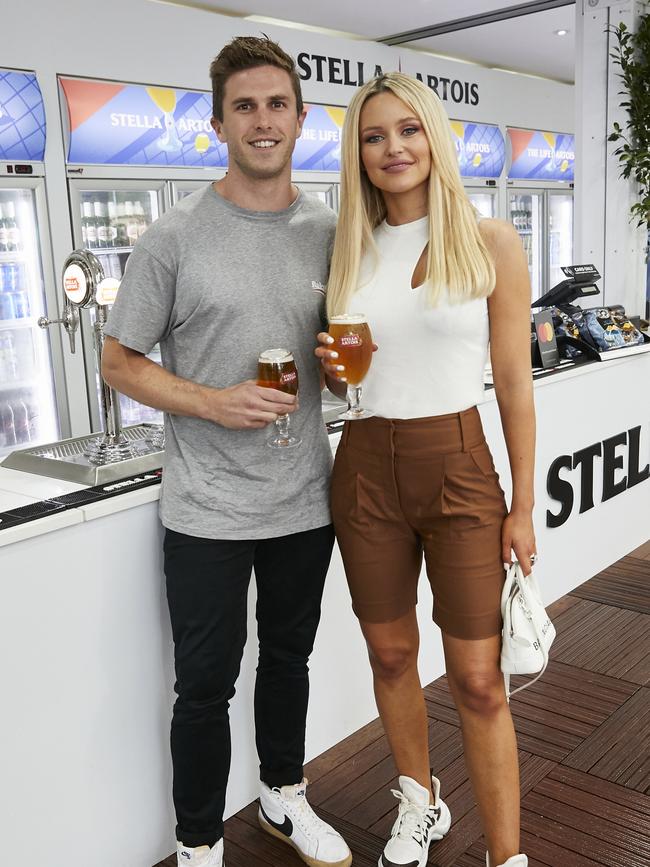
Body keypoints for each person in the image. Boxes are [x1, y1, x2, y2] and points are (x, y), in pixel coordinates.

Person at [102, 36, 352, 867]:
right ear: (218, 123)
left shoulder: (330, 231)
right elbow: (118, 360)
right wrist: (212, 400)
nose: (263, 120)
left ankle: (284, 795)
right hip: (205, 507)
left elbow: (348, 356)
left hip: (304, 499)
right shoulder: (172, 238)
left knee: (290, 658)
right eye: (244, 106)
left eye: (277, 104)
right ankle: (199, 842)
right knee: (203, 689)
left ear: (302, 118)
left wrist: (350, 369)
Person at [316, 72, 536, 867]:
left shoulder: (490, 240)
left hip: (460, 463)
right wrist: (341, 366)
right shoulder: (348, 249)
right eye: (374, 137)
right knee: (390, 655)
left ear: (434, 138)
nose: (392, 148)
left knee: (479, 678)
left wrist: (522, 501)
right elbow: (351, 380)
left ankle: (505, 855)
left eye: (408, 131)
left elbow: (513, 379)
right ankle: (421, 798)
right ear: (358, 154)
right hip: (367, 464)